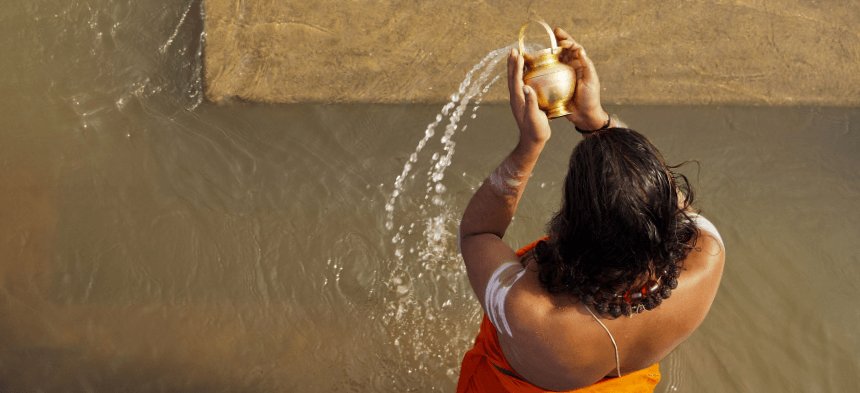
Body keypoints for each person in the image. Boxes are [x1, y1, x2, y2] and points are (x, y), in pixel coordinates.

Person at [456, 27, 725, 392]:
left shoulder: (534, 315)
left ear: (572, 226)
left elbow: (478, 233)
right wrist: (595, 118)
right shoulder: (706, 256)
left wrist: (529, 146)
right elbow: (659, 193)